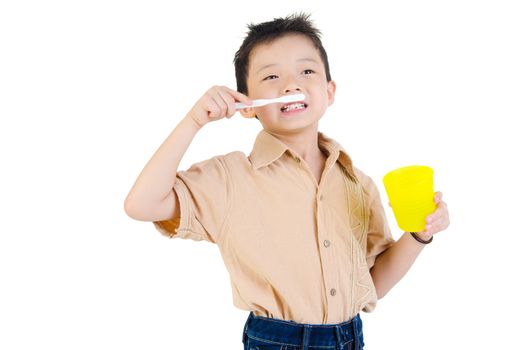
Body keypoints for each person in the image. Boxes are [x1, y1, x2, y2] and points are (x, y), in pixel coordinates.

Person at [124, 12, 450, 350]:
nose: (291, 85)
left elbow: (373, 284)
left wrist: (418, 233)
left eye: (306, 71)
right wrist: (193, 121)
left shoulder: (358, 183)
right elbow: (141, 204)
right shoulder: (230, 178)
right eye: (272, 76)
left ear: (329, 91)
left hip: (350, 337)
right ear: (247, 106)